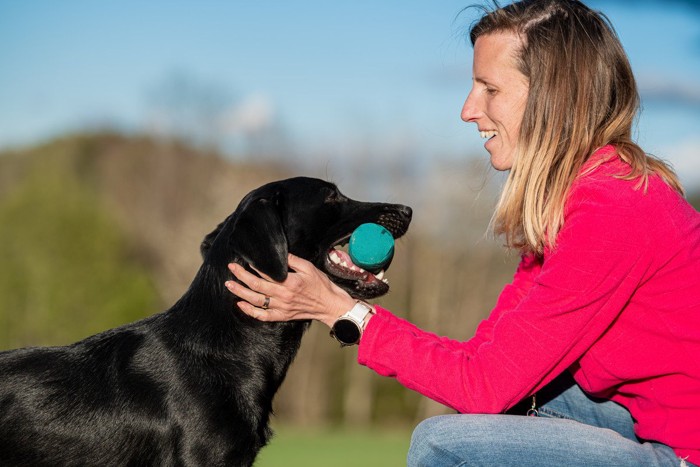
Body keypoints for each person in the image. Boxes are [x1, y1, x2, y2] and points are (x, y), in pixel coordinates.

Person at [224, 0, 700, 465]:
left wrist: (338, 309)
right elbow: (485, 367)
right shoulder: (574, 206)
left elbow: (483, 384)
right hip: (650, 424)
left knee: (443, 444)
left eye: (488, 88)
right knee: (499, 410)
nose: (468, 109)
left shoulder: (612, 214)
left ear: (555, 98)